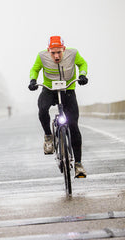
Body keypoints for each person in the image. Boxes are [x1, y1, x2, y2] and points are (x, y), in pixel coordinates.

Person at [28, 36, 88, 178]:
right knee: (42, 109)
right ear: (48, 50)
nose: (56, 56)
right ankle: (49, 136)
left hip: (68, 89)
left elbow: (83, 64)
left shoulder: (73, 53)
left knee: (73, 125)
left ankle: (78, 164)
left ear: (64, 49)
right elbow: (35, 69)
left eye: (59, 52)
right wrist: (33, 80)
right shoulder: (41, 56)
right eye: (53, 52)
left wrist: (83, 75)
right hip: (49, 89)